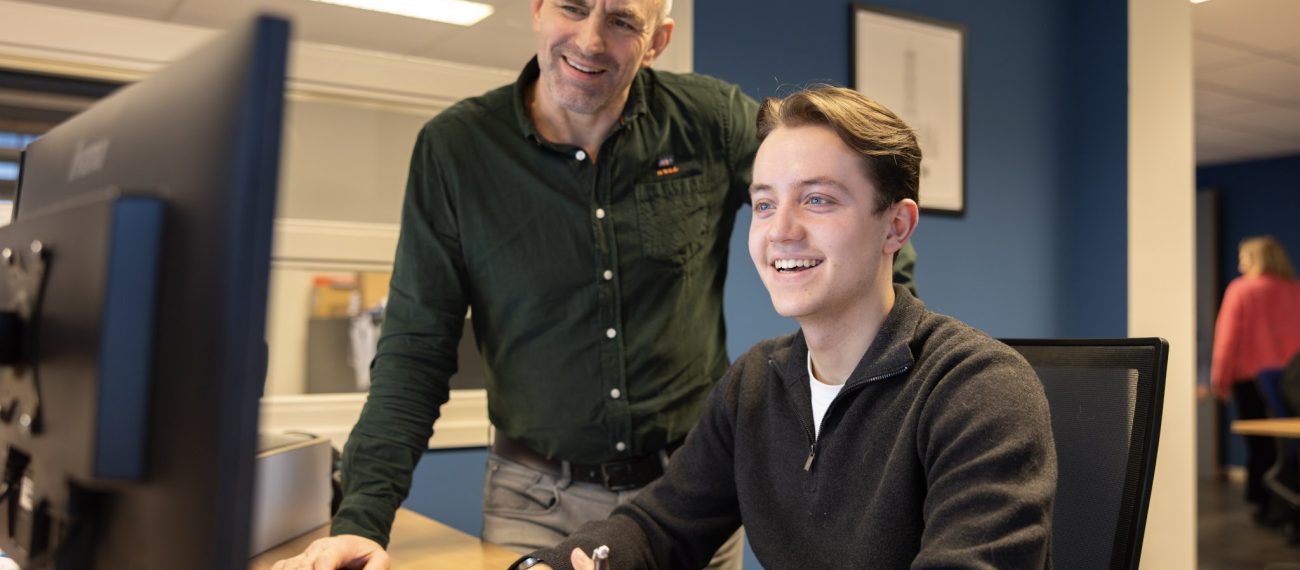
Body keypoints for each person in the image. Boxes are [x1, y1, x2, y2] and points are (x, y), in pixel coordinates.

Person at [272, 1, 918, 569]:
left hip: (695, 494)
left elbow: (840, 224)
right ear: (537, 8)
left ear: (657, 40)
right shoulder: (457, 151)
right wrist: (361, 521)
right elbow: (414, 351)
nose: (588, 40)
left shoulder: (709, 120)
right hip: (535, 498)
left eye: (621, 21)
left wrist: (864, 396)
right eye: (573, 7)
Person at [518, 86, 1055, 570]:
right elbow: (659, 525)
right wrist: (553, 566)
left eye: (818, 200)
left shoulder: (979, 390)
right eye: (765, 203)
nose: (781, 232)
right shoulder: (755, 384)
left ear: (896, 226)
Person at [1211, 236, 1300, 519]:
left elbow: (1227, 340)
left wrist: (1219, 381)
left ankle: (1267, 506)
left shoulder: (1241, 290)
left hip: (1250, 380)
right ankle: (1286, 502)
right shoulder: (1294, 290)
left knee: (1260, 446)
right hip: (1292, 379)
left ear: (1257, 259)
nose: (1240, 264)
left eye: (1244, 257)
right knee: (1287, 446)